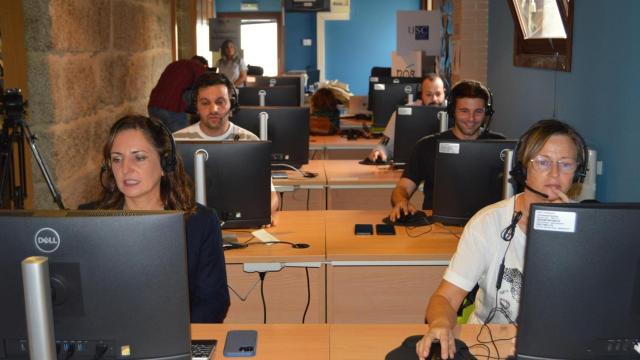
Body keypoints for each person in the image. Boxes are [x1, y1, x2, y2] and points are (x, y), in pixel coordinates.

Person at [415, 119, 587, 360]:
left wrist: (564, 237)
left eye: (566, 164)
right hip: (490, 344)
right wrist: (441, 323)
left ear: (578, 173)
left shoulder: (588, 231)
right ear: (522, 169)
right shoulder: (487, 223)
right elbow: (445, 297)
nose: (555, 174)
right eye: (543, 162)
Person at [93, 115, 230, 323]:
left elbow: (213, 302)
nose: (125, 169)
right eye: (117, 159)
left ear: (165, 164)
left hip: (179, 339)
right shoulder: (91, 223)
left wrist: (175, 339)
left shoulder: (200, 223)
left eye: (138, 157)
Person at [388, 80, 504, 221]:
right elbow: (402, 189)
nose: (471, 119)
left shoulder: (501, 147)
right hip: (438, 227)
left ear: (487, 112)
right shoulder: (427, 146)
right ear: (452, 111)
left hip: (488, 226)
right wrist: (401, 201)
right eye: (464, 111)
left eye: (478, 112)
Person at [173, 72, 280, 223]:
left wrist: (260, 216)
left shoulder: (250, 141)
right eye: (205, 103)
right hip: (189, 226)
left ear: (232, 103)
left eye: (220, 101)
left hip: (239, 224)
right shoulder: (175, 142)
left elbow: (272, 196)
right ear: (195, 106)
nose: (213, 109)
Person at [368, 73, 447, 162]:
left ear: (444, 92)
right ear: (421, 95)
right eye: (429, 95)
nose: (434, 99)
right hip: (409, 168)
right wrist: (379, 151)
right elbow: (384, 145)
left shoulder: (454, 114)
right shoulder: (401, 114)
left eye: (438, 94)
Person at [147, 55, 209, 132]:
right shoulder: (197, 66)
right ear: (204, 65)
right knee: (182, 140)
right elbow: (205, 88)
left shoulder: (173, 64)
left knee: (161, 141)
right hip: (173, 109)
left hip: (153, 106)